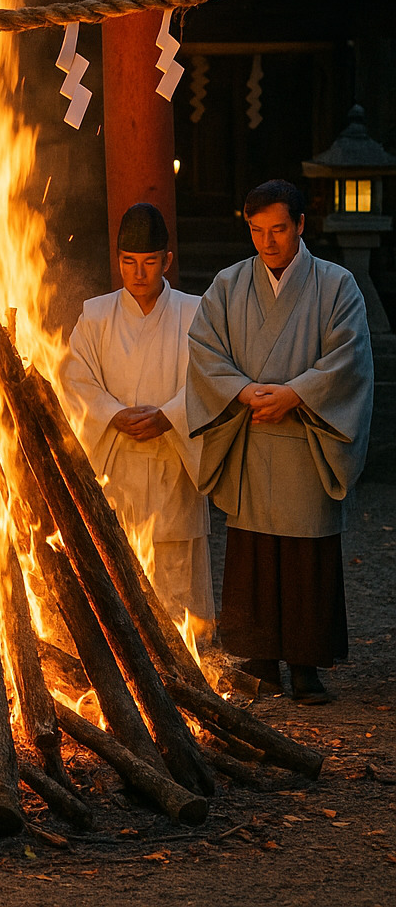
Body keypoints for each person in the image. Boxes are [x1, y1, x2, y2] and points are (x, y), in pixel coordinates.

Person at [186, 179, 373, 705]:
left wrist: (295, 394)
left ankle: (306, 665)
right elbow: (204, 350)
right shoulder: (228, 285)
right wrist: (244, 391)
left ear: (300, 225)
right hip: (250, 433)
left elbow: (349, 357)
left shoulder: (336, 285)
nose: (267, 242)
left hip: (307, 440)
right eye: (256, 230)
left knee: (306, 553)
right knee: (254, 551)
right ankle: (261, 659)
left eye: (278, 229)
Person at [62, 203, 214, 639]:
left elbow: (211, 380)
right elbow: (74, 378)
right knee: (115, 562)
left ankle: (185, 655)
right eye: (129, 262)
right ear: (118, 261)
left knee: (174, 568)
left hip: (173, 463)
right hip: (117, 463)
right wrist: (112, 413)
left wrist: (170, 416)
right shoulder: (95, 315)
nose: (138, 273)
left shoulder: (195, 313)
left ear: (166, 261)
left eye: (149, 262)